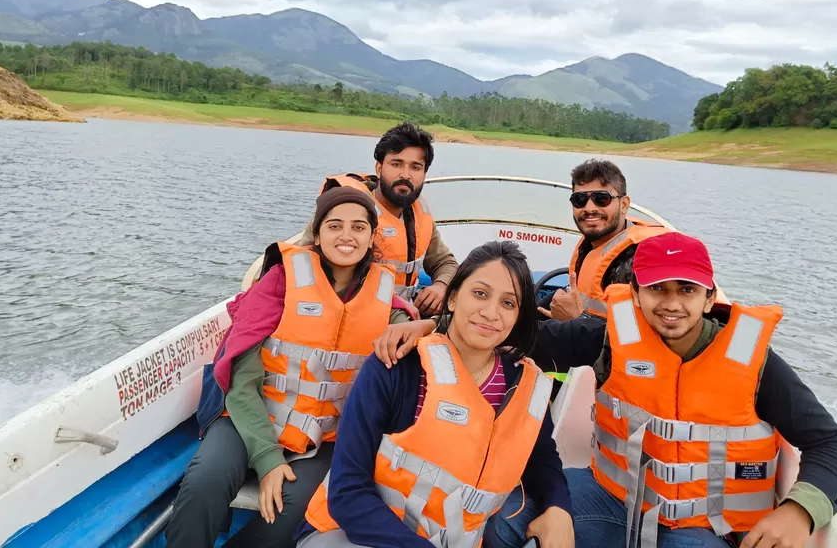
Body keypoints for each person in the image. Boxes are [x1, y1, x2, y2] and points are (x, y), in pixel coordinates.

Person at [486, 232, 837, 548]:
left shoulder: (755, 362)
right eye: (657, 289)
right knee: (504, 519)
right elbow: (523, 339)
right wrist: (447, 330)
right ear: (635, 293)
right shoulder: (610, 340)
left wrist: (799, 511)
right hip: (612, 498)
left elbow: (832, 446)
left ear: (709, 297)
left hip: (707, 527)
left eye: (686, 289)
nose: (672, 304)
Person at [165, 187, 421, 548]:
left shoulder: (385, 300)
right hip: (250, 417)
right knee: (204, 482)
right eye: (334, 226)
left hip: (323, 437)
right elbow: (241, 380)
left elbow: (419, 334)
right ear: (317, 233)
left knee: (294, 512)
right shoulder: (279, 283)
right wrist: (268, 459)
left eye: (358, 227)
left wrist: (422, 326)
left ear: (370, 236)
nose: (346, 236)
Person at [295, 241, 575, 548]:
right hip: (349, 534)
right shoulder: (397, 367)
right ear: (453, 298)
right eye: (480, 293)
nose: (491, 312)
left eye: (508, 303)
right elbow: (347, 491)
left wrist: (558, 508)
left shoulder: (525, 387)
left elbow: (543, 461)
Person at [306, 122, 458, 315]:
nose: (405, 175)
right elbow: (304, 263)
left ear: (424, 173)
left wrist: (441, 286)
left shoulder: (419, 213)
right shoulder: (344, 206)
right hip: (351, 313)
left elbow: (445, 262)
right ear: (379, 168)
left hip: (403, 313)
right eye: (396, 164)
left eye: (416, 167)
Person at [539, 159, 667, 323]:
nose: (589, 208)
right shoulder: (590, 245)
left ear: (624, 205)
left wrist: (579, 319)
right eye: (580, 200)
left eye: (601, 199)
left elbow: (638, 337)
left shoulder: (643, 259)